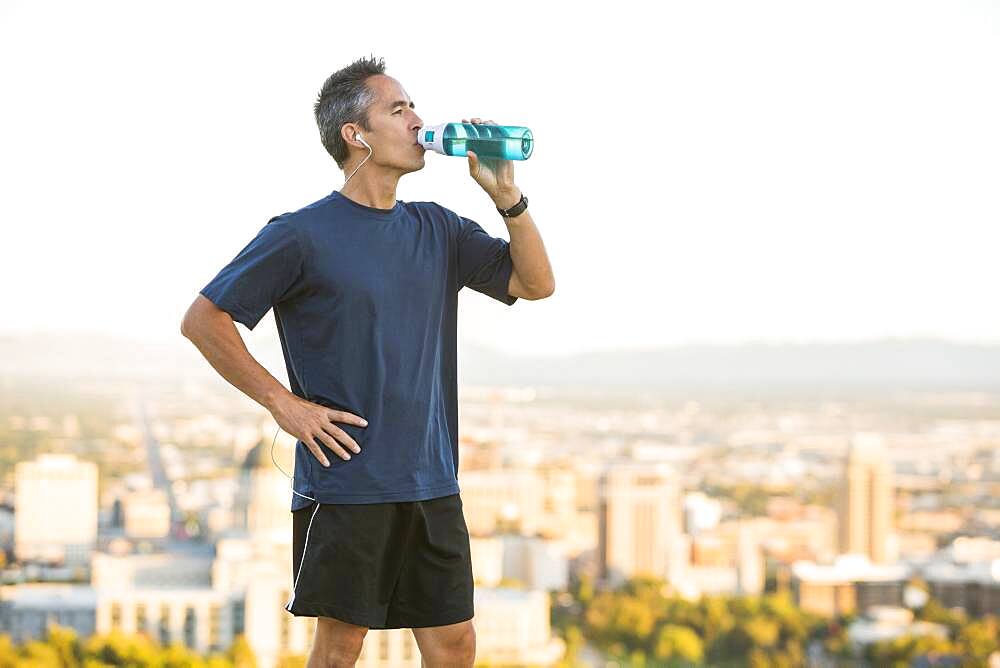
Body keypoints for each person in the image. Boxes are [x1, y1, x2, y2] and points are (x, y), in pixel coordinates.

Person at [180, 55, 554, 668]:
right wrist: (284, 404)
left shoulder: (439, 228)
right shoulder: (301, 234)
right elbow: (204, 319)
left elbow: (536, 284)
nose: (417, 120)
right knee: (339, 648)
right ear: (355, 135)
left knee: (456, 644)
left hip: (432, 480)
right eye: (398, 108)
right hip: (348, 482)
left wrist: (508, 198)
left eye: (414, 107)